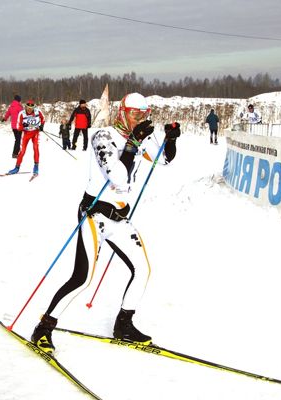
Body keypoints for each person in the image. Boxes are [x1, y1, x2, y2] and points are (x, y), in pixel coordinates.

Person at [30, 93, 181, 354]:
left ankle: (124, 325)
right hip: (94, 214)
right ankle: (43, 328)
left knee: (143, 270)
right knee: (83, 278)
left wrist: (171, 139)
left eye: (143, 115)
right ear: (122, 112)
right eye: (134, 113)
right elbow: (118, 177)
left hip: (120, 217)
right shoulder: (103, 137)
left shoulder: (139, 138)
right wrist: (134, 143)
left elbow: (163, 160)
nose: (139, 119)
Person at [7, 100, 45, 176]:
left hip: (35, 133)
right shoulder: (22, 114)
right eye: (28, 108)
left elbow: (43, 119)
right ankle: (17, 167)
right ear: (25, 107)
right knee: (22, 150)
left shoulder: (38, 112)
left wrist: (41, 126)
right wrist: (23, 125)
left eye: (31, 108)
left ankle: (36, 166)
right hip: (26, 134)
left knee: (35, 148)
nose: (29, 109)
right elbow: (18, 127)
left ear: (34, 107)